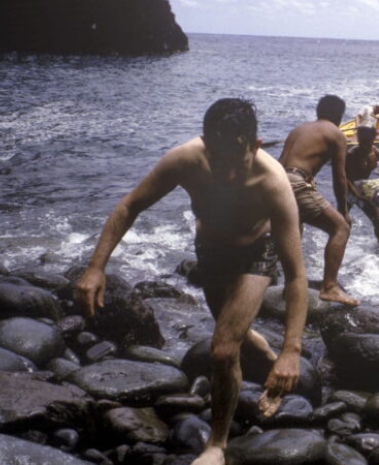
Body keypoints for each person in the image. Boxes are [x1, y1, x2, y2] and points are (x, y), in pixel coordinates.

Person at [74, 98, 309, 465]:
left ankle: (216, 445)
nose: (228, 174)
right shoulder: (185, 159)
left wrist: (293, 350)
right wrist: (95, 267)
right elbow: (129, 206)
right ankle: (265, 355)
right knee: (231, 332)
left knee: (222, 350)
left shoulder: (273, 184)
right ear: (204, 142)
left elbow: (296, 275)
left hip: (256, 252)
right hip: (211, 247)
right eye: (219, 161)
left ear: (256, 144)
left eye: (238, 160)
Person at [278, 94, 359, 306]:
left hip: (277, 182)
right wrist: (344, 211)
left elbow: (280, 162)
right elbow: (339, 177)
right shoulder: (336, 133)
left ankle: (290, 284)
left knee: (295, 230)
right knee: (340, 228)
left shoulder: (298, 129)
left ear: (318, 111)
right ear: (339, 115)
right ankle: (330, 287)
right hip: (296, 182)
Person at [346, 126, 379, 245]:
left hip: (363, 189)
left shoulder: (377, 153)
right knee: (342, 222)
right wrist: (355, 193)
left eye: (368, 144)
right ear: (359, 141)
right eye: (362, 144)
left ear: (373, 141)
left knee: (377, 220)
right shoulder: (351, 154)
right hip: (347, 190)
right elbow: (344, 177)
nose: (365, 147)